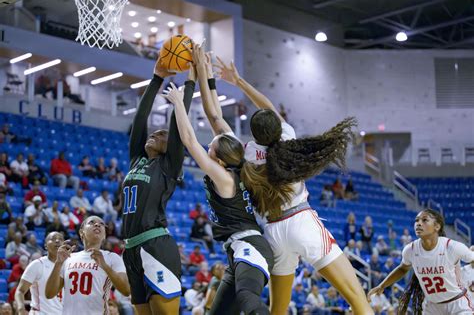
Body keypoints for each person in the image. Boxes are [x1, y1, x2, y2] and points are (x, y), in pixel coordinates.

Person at [214, 58, 373, 314]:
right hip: (300, 221)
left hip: (272, 232)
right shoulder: (287, 141)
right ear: (278, 129)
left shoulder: (246, 154)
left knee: (278, 310)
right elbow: (268, 107)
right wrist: (239, 81)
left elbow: (219, 119)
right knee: (357, 298)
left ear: (254, 135)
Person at [164, 43, 274, 315]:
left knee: (248, 299)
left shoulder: (223, 177)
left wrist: (179, 103)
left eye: (211, 146)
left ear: (219, 159)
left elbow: (189, 140)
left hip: (249, 246)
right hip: (238, 251)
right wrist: (203, 71)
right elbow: (214, 113)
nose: (209, 144)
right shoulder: (236, 159)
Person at [120, 52, 195, 315]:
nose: (155, 134)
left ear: (169, 147)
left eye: (161, 135)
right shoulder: (137, 160)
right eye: (154, 133)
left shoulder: (169, 165)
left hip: (156, 246)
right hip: (130, 249)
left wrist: (190, 82)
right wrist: (156, 79)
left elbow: (177, 126)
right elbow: (140, 119)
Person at [367, 209, 474, 314]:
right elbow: (403, 268)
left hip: (457, 303)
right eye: (417, 220)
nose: (418, 223)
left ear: (437, 226)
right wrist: (382, 285)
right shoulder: (411, 250)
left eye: (424, 220)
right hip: (432, 306)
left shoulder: (452, 247)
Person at [45, 216, 130, 314]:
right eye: (91, 222)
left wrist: (105, 266)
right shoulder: (68, 258)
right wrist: (58, 263)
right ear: (82, 232)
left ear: (104, 235)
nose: (97, 224)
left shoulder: (112, 257)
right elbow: (49, 294)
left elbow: (126, 290)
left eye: (101, 224)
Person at [14, 232, 64, 315]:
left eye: (61, 239)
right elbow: (20, 290)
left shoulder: (69, 265)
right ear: (45, 246)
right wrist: (21, 309)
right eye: (53, 239)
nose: (57, 241)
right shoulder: (37, 264)